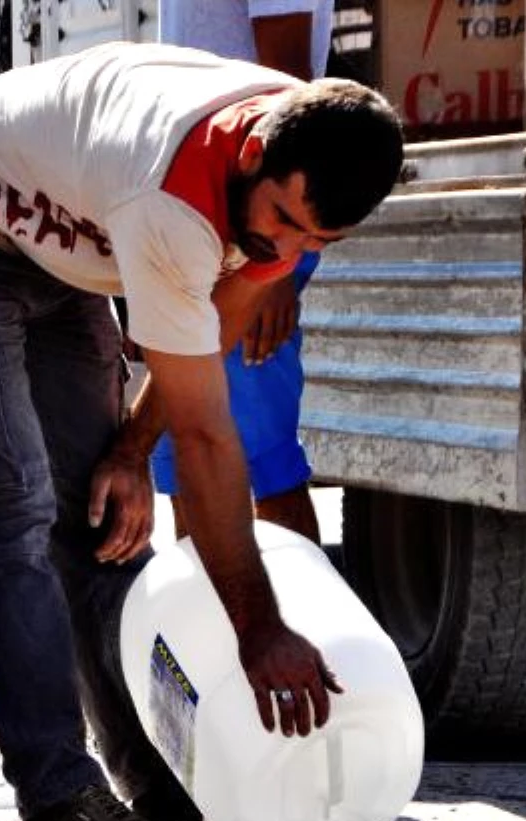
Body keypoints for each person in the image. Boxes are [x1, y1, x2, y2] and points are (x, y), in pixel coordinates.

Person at [0, 42, 403, 821]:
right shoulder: (172, 200)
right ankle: (58, 802)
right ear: (255, 153)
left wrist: (129, 447)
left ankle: (159, 772)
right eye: (281, 222)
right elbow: (205, 435)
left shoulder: (305, 157)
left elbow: (215, 329)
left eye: (314, 238)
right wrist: (260, 628)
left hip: (72, 248)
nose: (283, 248)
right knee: (10, 517)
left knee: (104, 519)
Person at [153, 0, 336, 545]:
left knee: (262, 470)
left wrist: (276, 269)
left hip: (251, 231)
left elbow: (292, 89)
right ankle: (207, 630)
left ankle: (297, 627)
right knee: (189, 468)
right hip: (199, 216)